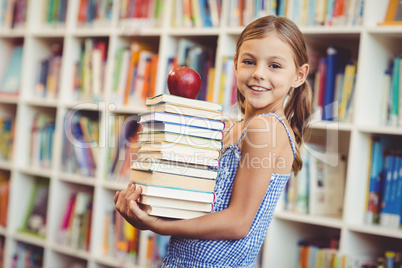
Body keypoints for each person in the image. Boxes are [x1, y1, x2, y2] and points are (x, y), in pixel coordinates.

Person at [114, 15, 312, 267]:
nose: (259, 74)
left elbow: (238, 222)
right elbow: (203, 207)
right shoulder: (231, 129)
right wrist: (147, 208)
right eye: (249, 62)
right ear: (237, 66)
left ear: (299, 75)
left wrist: (159, 226)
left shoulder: (266, 128)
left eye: (274, 66)